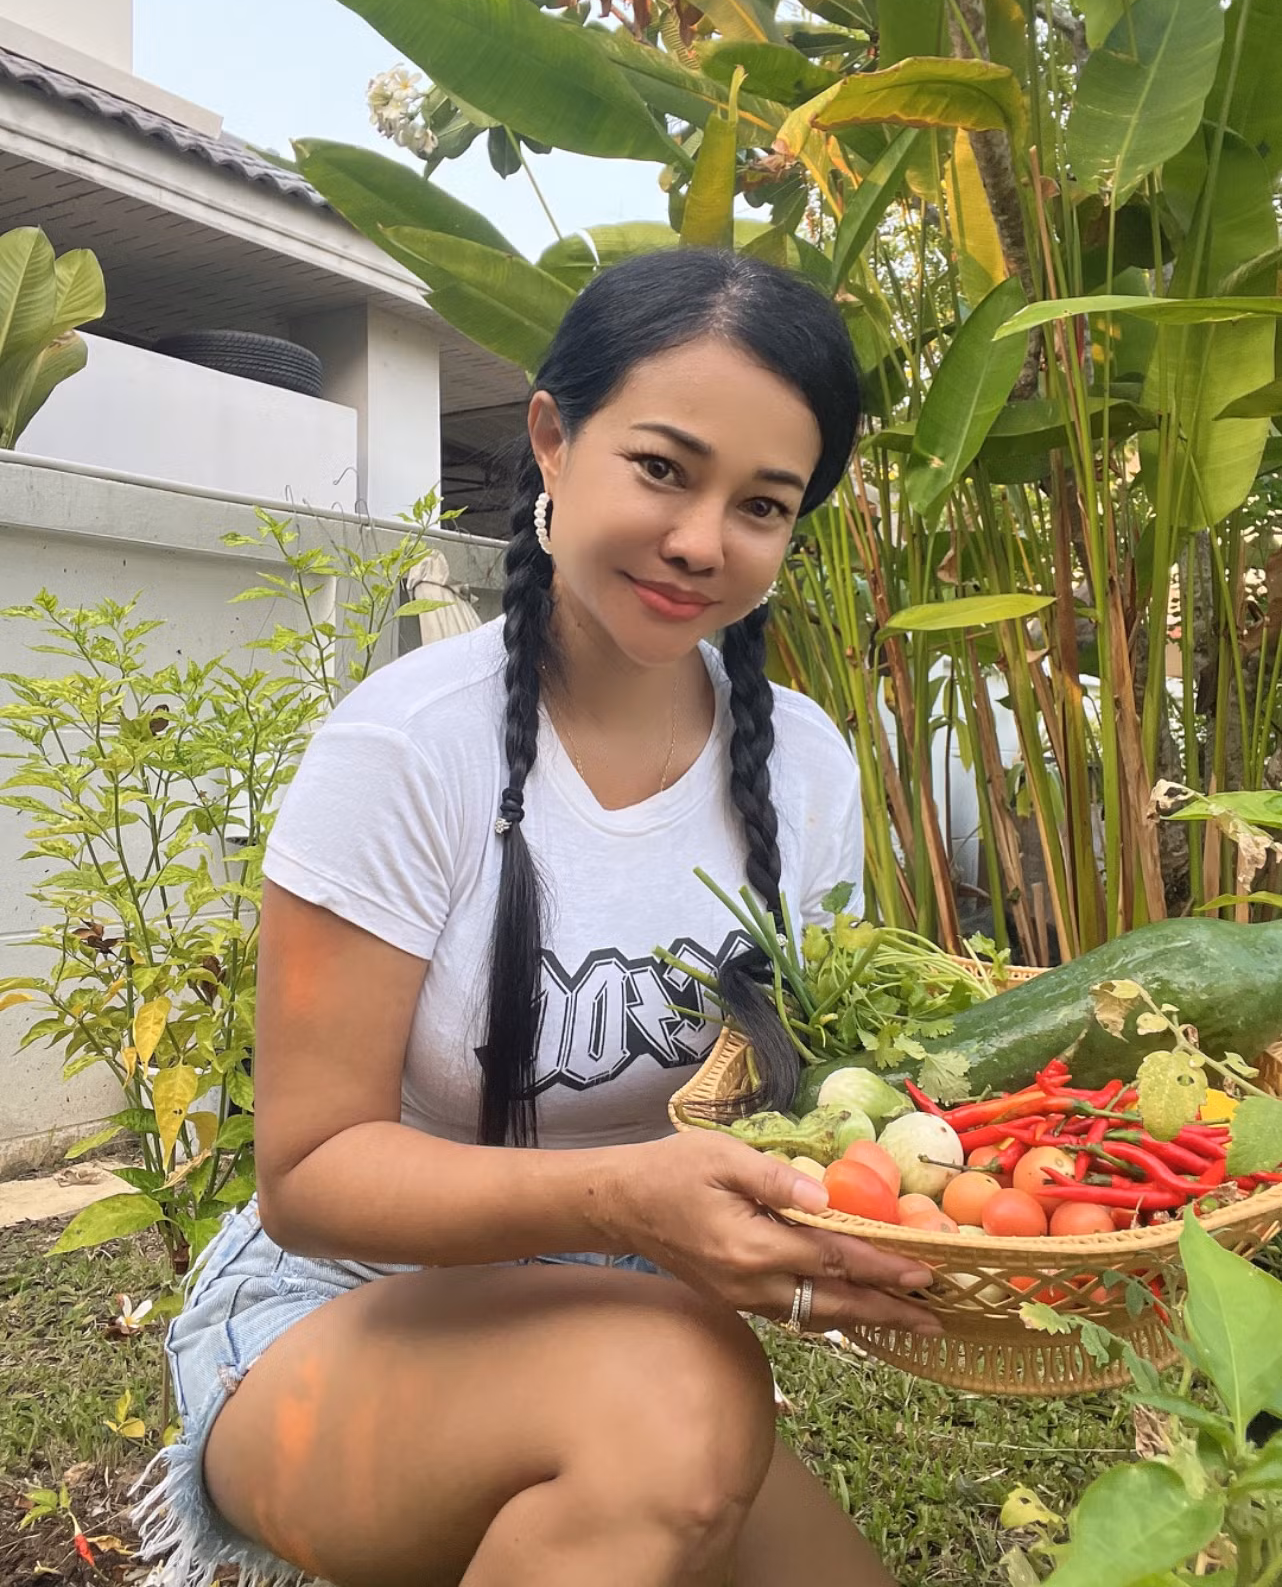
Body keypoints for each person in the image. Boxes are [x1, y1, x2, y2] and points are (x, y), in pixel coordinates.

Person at [132, 247, 942, 1587]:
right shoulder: (407, 746)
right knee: (681, 1412)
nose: (702, 540)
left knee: (698, 1429)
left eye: (762, 504)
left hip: (630, 1333)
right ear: (555, 442)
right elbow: (310, 1174)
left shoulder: (804, 765)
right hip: (339, 1310)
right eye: (663, 468)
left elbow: (809, 1092)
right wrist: (624, 1195)